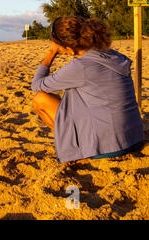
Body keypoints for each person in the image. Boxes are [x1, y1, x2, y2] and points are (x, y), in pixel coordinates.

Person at [31, 16, 144, 163]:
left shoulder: (81, 66)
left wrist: (51, 53)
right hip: (134, 138)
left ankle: (75, 149)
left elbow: (36, 84)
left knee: (40, 99)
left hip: (108, 147)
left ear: (70, 49)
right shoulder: (114, 55)